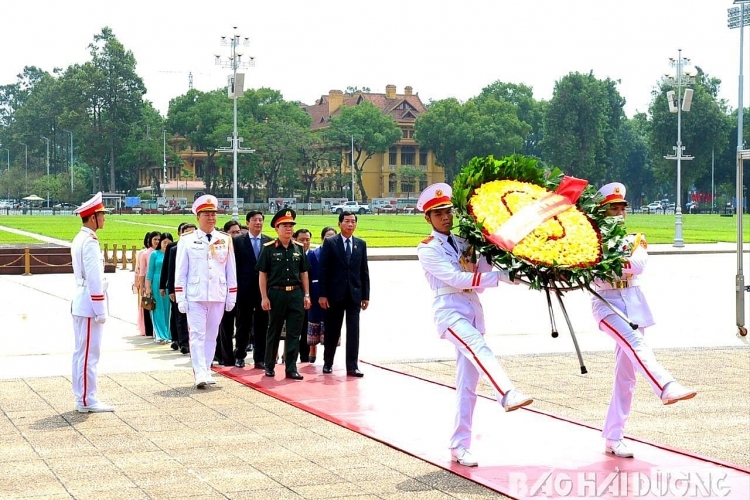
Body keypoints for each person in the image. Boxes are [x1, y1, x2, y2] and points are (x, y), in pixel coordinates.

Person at [416, 183, 533, 467]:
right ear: (427, 218)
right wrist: (496, 279)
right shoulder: (427, 248)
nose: (445, 217)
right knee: (479, 347)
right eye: (438, 213)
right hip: (450, 312)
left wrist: (505, 267)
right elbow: (456, 279)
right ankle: (506, 392)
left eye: (448, 211)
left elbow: (479, 275)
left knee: (467, 384)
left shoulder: (464, 242)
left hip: (471, 310)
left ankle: (459, 445)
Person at [593, 182, 697, 459]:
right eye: (612, 208)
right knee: (636, 344)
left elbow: (638, 265)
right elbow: (597, 274)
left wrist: (609, 261)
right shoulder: (589, 242)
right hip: (607, 304)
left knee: (626, 377)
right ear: (601, 212)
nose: (618, 213)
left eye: (621, 208)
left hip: (634, 304)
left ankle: (614, 436)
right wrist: (608, 261)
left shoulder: (633, 239)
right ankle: (665, 385)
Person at [175, 195, 237, 388]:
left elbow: (230, 269)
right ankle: (199, 372)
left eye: (213, 214)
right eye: (206, 214)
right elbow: (181, 271)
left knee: (212, 334)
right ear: (198, 217)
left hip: (217, 293)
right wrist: (180, 297)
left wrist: (231, 295)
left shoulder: (224, 239)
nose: (211, 218)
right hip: (196, 294)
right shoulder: (187, 240)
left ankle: (207, 368)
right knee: (197, 335)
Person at [70, 192, 114, 413]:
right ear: (92, 217)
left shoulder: (81, 238)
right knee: (89, 354)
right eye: (102, 215)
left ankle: (82, 396)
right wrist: (101, 309)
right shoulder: (90, 242)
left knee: (81, 353)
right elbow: (95, 279)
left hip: (81, 300)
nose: (104, 219)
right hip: (89, 303)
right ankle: (87, 399)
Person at [256, 209, 311, 380]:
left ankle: (291, 367)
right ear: (276, 228)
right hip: (276, 294)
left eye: (291, 226)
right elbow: (262, 274)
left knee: (294, 332)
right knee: (274, 330)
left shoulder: (299, 248)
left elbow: (304, 273)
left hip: (295, 293)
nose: (288, 229)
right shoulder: (269, 249)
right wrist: (264, 297)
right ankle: (270, 365)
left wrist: (307, 294)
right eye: (284, 226)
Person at [318, 211, 370, 377]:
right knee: (333, 330)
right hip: (335, 295)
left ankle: (352, 366)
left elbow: (364, 271)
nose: (350, 224)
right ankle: (328, 362)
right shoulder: (331, 243)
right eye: (347, 221)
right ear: (340, 223)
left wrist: (366, 295)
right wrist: (323, 294)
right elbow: (323, 270)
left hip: (354, 294)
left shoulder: (360, 244)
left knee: (354, 332)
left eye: (353, 221)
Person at [233, 210, 273, 369]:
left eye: (260, 220)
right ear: (248, 222)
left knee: (262, 325)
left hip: (263, 291)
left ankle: (260, 358)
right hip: (244, 289)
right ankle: (240, 355)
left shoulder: (270, 242)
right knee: (243, 323)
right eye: (254, 220)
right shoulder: (237, 241)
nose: (258, 223)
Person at [163, 223, 195, 355]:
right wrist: (171, 289)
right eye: (187, 232)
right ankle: (183, 342)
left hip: (195, 287)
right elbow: (170, 270)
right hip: (180, 287)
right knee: (180, 315)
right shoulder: (174, 249)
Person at [307, 227, 337, 363]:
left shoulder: (338, 254)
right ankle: (312, 351)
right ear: (322, 238)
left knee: (330, 325)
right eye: (327, 237)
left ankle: (328, 355)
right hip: (316, 292)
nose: (330, 240)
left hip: (333, 295)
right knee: (314, 322)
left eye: (332, 237)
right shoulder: (313, 254)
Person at [217, 220, 243, 366]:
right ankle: (225, 357)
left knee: (240, 325)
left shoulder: (243, 247)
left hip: (241, 292)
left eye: (238, 232)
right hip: (223, 292)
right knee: (225, 326)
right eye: (232, 232)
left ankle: (239, 353)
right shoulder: (219, 248)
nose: (236, 235)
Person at [145, 232, 173, 344]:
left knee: (168, 309)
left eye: (168, 242)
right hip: (156, 282)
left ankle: (169, 333)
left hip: (169, 283)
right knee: (158, 309)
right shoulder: (155, 254)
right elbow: (150, 272)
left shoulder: (173, 253)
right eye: (164, 242)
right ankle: (160, 335)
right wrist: (148, 287)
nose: (166, 244)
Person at [293, 228, 313, 363]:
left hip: (309, 298)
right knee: (293, 330)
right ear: (295, 240)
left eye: (307, 240)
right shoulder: (292, 253)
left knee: (306, 328)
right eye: (301, 240)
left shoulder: (314, 255)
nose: (305, 243)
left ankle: (305, 357)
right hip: (293, 295)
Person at [136, 231, 160, 336]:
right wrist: (142, 286)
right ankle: (148, 329)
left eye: (159, 239)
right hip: (148, 282)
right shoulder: (145, 253)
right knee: (148, 305)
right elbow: (142, 272)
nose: (157, 241)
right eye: (155, 239)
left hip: (159, 282)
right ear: (150, 240)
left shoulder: (162, 252)